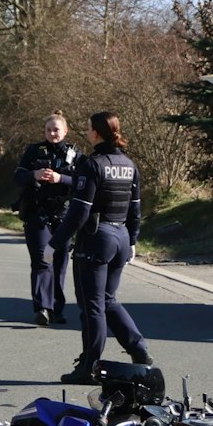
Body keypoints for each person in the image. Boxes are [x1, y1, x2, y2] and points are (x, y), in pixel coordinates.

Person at [59, 110, 152, 384]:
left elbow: (79, 211)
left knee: (93, 306)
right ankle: (139, 349)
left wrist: (58, 242)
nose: (87, 132)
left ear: (97, 133)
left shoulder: (92, 164)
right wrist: (133, 239)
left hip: (97, 239)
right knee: (108, 300)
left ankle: (89, 366)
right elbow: (136, 208)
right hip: (121, 237)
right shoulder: (128, 164)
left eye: (89, 128)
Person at [12, 112, 77, 325]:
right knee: (41, 260)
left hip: (64, 215)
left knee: (60, 262)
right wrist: (35, 175)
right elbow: (17, 177)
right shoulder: (33, 151)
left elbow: (83, 183)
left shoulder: (75, 154)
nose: (52, 133)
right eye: (48, 130)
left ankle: (57, 309)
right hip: (38, 214)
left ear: (65, 131)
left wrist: (61, 178)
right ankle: (42, 308)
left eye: (56, 129)